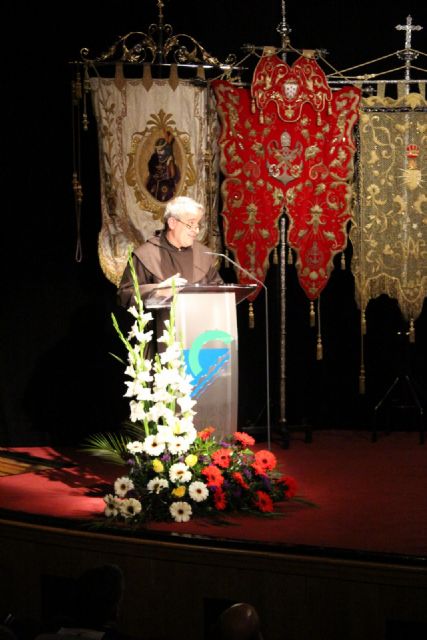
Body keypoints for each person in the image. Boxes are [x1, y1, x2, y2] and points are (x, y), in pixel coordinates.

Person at [117, 195, 223, 309]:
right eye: (191, 224)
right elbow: (124, 295)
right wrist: (158, 291)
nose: (196, 231)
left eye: (198, 225)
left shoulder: (203, 254)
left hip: (203, 323)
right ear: (172, 223)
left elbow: (220, 291)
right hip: (162, 324)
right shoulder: (146, 255)